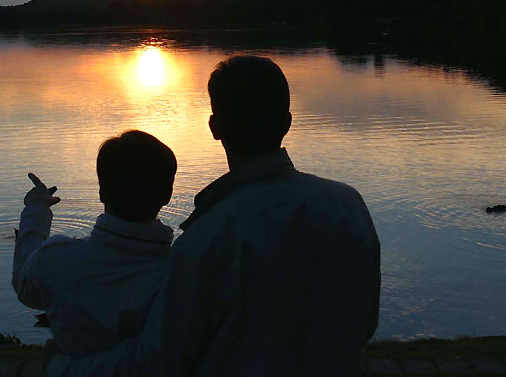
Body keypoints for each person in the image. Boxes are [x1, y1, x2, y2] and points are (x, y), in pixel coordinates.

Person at [49, 55, 381, 376]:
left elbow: (157, 361)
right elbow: (365, 325)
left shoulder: (205, 239)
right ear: (287, 122)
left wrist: (63, 368)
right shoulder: (348, 205)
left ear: (214, 126)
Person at [12, 130, 179, 356]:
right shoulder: (184, 275)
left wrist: (36, 209)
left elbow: (24, 280)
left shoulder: (58, 261)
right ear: (167, 195)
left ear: (101, 192)